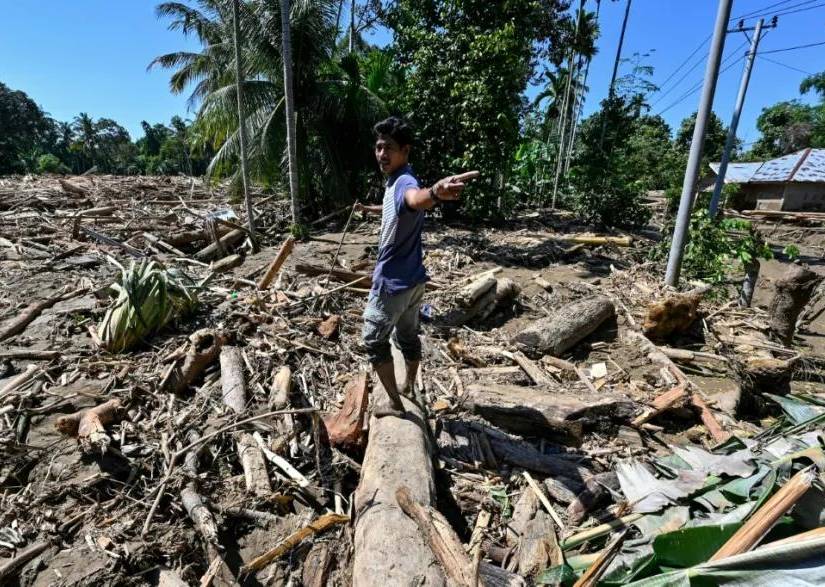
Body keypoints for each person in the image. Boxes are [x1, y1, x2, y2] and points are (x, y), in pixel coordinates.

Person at [357, 116, 478, 417]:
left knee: (373, 340)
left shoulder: (406, 184)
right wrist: (367, 209)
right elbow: (397, 207)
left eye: (389, 148)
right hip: (414, 282)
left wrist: (435, 192)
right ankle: (409, 385)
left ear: (405, 150)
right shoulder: (397, 181)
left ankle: (395, 404)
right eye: (378, 147)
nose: (382, 154)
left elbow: (416, 199)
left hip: (392, 285)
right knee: (407, 337)